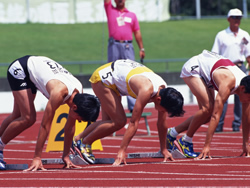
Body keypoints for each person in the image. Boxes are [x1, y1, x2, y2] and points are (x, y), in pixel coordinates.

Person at [72, 59, 185, 165]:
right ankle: (84, 143)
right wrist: (122, 151)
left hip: (114, 77)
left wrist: (163, 149)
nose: (165, 112)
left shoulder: (163, 90)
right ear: (159, 100)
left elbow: (162, 124)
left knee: (108, 123)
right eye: (166, 110)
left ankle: (77, 139)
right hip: (102, 80)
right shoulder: (146, 90)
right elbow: (133, 123)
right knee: (119, 121)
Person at [0, 55, 100, 171]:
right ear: (74, 107)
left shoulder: (79, 94)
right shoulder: (58, 93)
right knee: (28, 118)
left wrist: (66, 156)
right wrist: (37, 157)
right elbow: (45, 125)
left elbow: (69, 128)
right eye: (80, 118)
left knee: (17, 116)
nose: (78, 121)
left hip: (34, 69)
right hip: (21, 69)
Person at [166, 50, 250, 158]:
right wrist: (207, 146)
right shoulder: (228, 82)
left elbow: (246, 117)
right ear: (242, 89)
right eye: (249, 98)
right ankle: (185, 142)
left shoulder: (246, 84)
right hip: (194, 68)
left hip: (208, 72)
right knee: (208, 109)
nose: (248, 101)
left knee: (205, 117)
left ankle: (171, 133)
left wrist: (246, 144)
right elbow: (216, 116)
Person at [211, 8, 250, 132]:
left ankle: (236, 124)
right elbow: (214, 53)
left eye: (239, 18)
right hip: (225, 68)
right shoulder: (221, 35)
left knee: (241, 97)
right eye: (234, 17)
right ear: (228, 19)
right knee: (223, 96)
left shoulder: (245, 34)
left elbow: (248, 55)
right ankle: (219, 124)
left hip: (240, 67)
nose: (236, 20)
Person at [104, 0, 145, 113]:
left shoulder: (131, 15)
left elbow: (137, 32)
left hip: (128, 45)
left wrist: (141, 48)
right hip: (114, 45)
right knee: (112, 73)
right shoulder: (110, 10)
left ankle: (133, 107)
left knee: (130, 73)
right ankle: (114, 106)